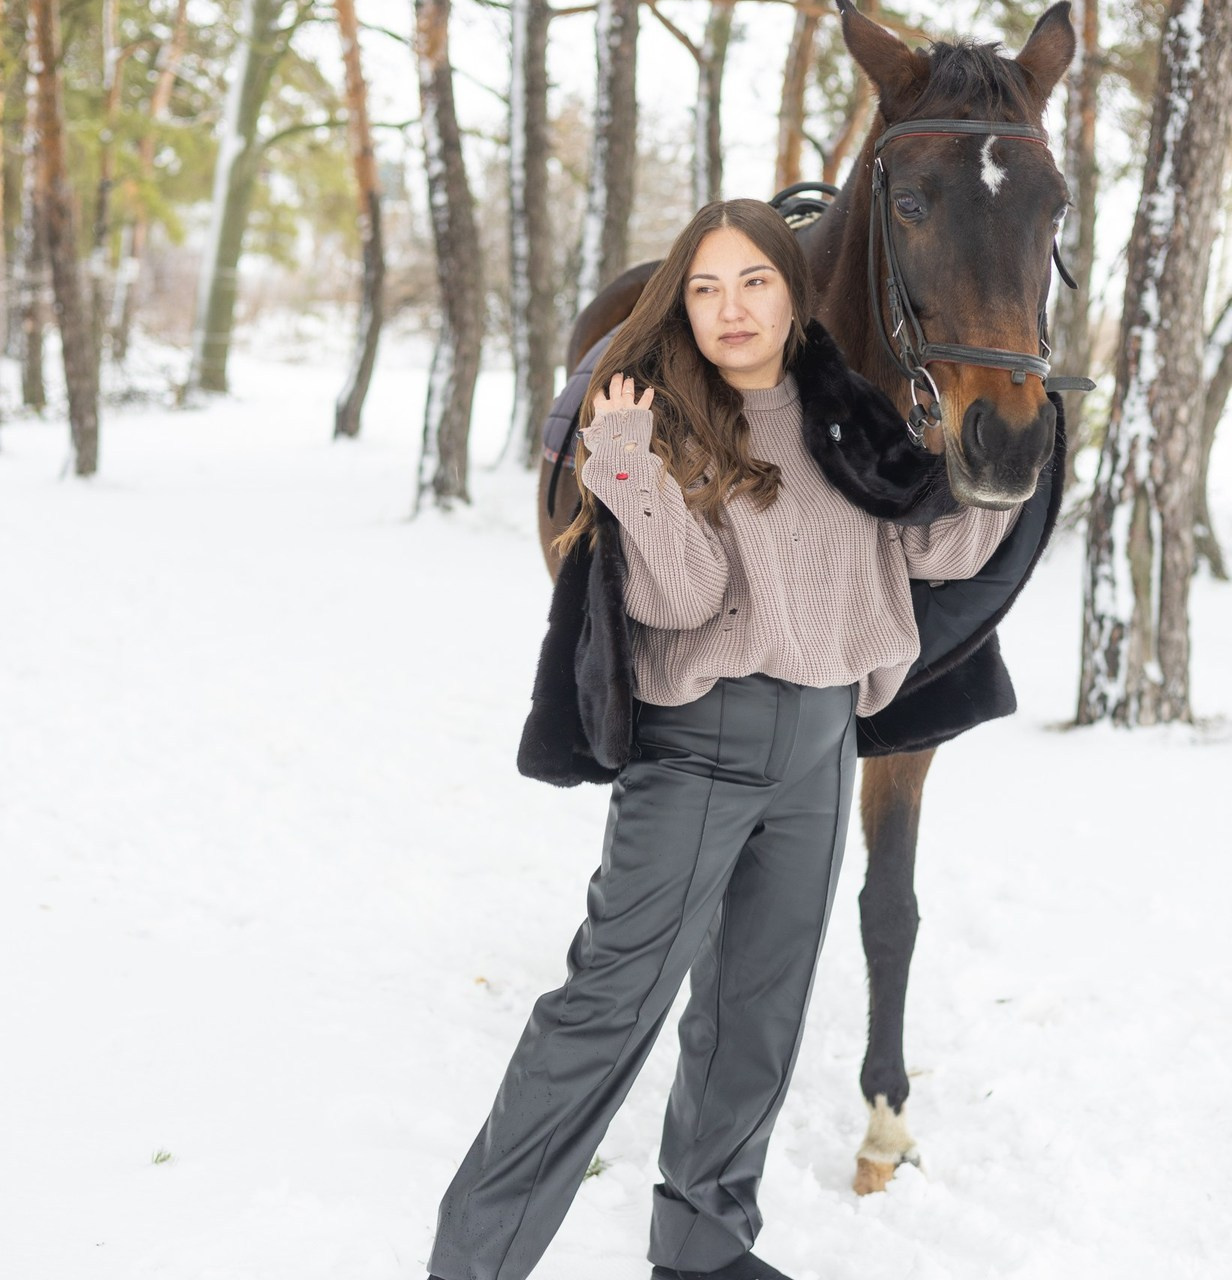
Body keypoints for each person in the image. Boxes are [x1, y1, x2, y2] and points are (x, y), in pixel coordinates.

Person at [425, 199, 1035, 1280]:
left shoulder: (848, 419)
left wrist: (997, 456)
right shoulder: (665, 419)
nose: (729, 309)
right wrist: (625, 469)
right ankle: (473, 1261)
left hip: (820, 742)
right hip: (699, 744)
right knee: (606, 1008)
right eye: (704, 288)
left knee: (756, 1011)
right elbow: (684, 591)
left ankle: (702, 1245)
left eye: (752, 281)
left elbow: (934, 550)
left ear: (792, 292)